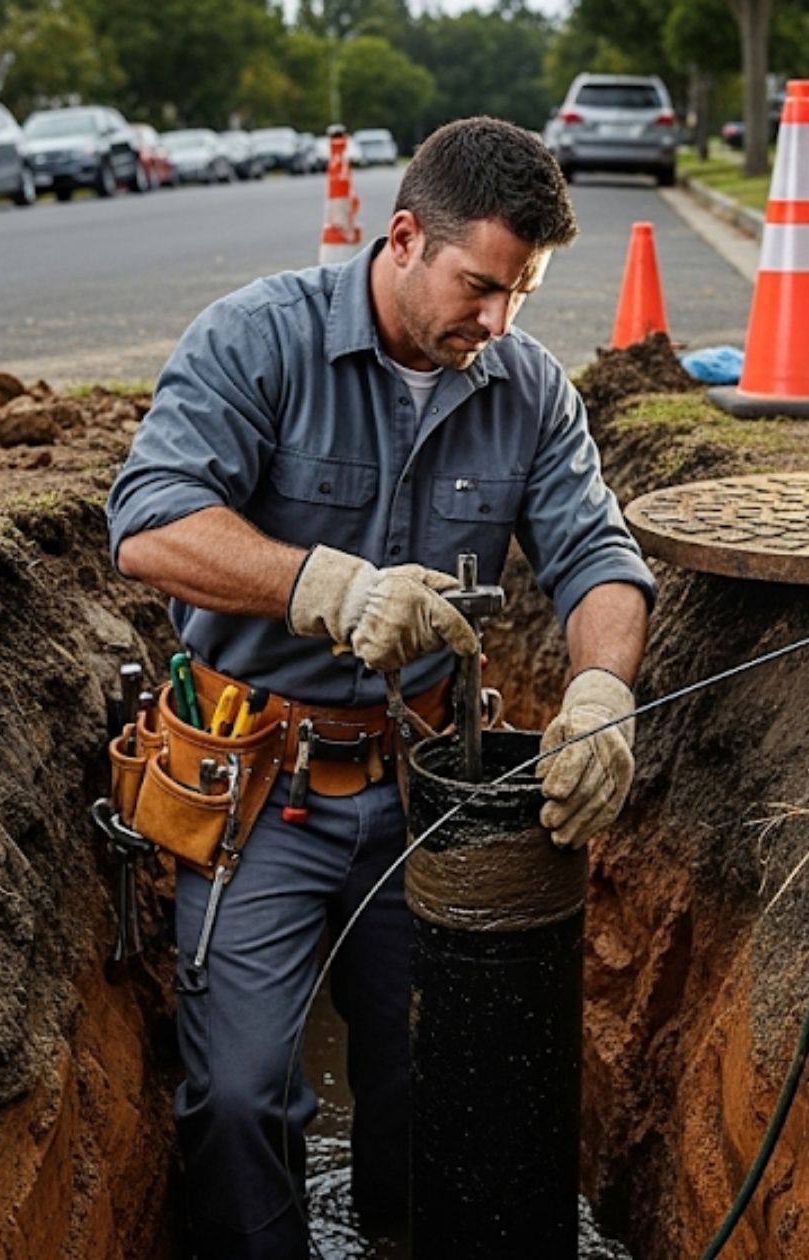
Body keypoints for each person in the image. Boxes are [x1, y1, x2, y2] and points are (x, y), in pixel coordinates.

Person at [104, 116, 653, 1258]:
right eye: (478, 286)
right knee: (246, 1097)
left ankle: (405, 1232)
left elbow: (595, 559)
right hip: (259, 788)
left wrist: (601, 689)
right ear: (403, 237)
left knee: (434, 1079)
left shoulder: (528, 389)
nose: (496, 320)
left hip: (423, 794)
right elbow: (149, 526)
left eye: (521, 295)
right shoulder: (258, 342)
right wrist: (322, 586)